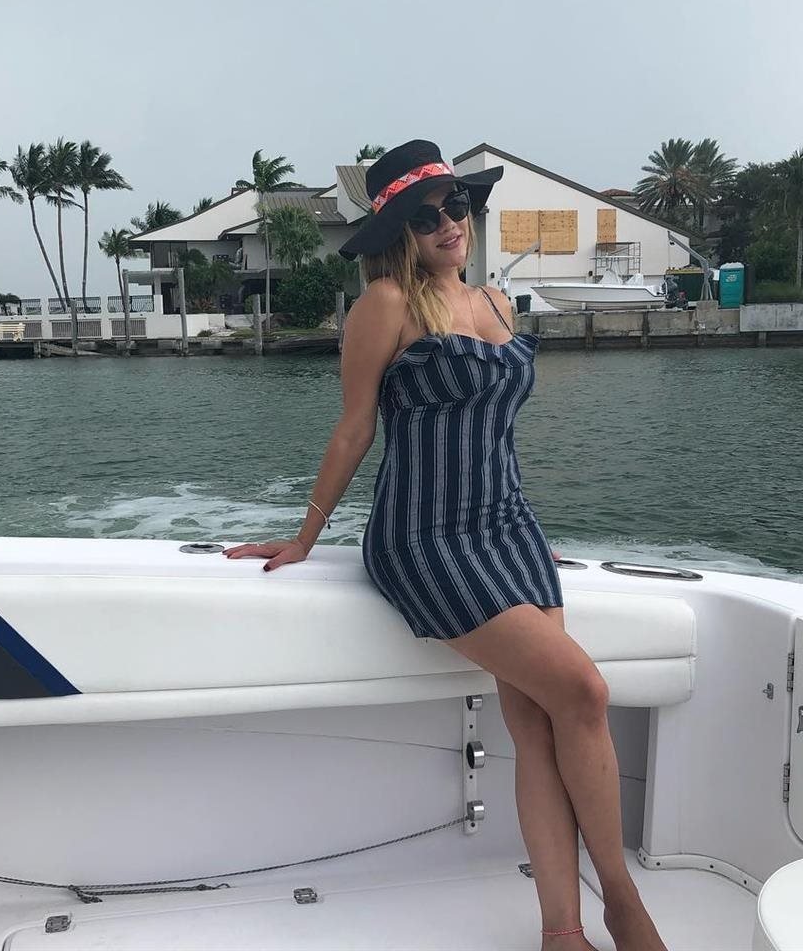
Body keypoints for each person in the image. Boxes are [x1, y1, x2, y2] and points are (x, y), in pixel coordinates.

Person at [223, 140, 667, 951]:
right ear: (400, 232)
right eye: (424, 218)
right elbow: (354, 428)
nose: (447, 225)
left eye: (455, 206)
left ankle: (561, 931)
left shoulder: (496, 302)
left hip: (511, 529)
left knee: (539, 723)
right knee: (584, 692)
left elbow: (495, 433)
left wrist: (528, 535)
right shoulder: (387, 304)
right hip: (424, 538)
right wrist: (306, 535)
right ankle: (623, 903)